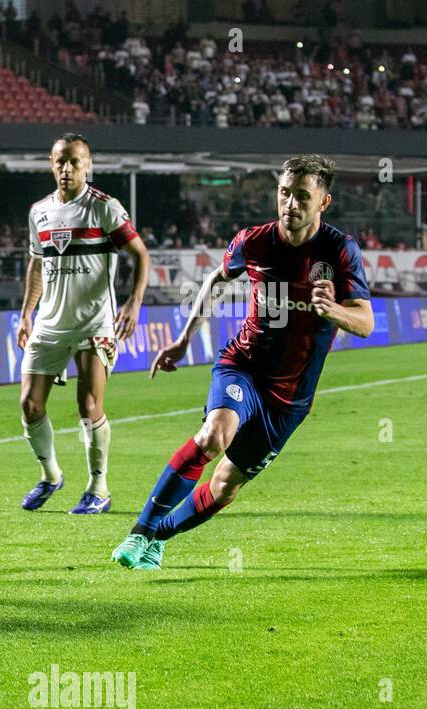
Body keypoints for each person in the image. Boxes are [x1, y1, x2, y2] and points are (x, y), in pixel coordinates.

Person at [112, 154, 372, 570]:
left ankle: (159, 538)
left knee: (225, 484)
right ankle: (139, 531)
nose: (290, 204)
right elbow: (217, 280)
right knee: (214, 434)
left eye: (302, 196)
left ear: (324, 202)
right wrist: (182, 341)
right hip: (243, 367)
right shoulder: (253, 240)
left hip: (290, 398)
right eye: (285, 193)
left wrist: (334, 311)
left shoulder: (340, 250)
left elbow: (365, 321)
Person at [17, 133, 151, 514]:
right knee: (29, 404)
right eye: (61, 161)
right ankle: (51, 476)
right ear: (51, 163)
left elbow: (141, 254)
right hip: (49, 322)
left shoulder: (105, 208)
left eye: (75, 162)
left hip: (95, 322)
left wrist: (134, 303)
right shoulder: (39, 211)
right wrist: (26, 313)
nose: (67, 169)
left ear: (88, 165)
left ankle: (99, 487)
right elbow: (37, 264)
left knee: (88, 404)